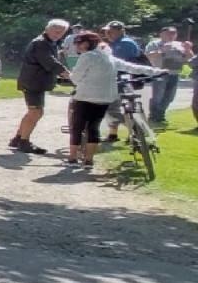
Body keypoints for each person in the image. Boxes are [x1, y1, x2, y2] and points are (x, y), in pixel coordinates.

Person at [65, 31, 165, 170]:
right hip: (104, 98)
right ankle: (88, 161)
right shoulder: (109, 58)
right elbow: (132, 67)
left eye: (78, 43)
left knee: (78, 127)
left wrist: (71, 75)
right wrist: (157, 71)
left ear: (86, 44)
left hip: (85, 97)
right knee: (94, 127)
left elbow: (75, 78)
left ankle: (72, 158)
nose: (77, 46)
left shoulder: (87, 56)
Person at [12, 19, 72, 154]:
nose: (58, 34)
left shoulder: (50, 43)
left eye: (61, 32)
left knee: (34, 112)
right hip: (32, 82)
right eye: (56, 30)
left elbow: (53, 60)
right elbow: (49, 61)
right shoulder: (41, 43)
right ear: (47, 29)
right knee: (36, 112)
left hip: (36, 82)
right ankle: (24, 142)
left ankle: (17, 139)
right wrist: (66, 74)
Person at [101, 21, 143, 142]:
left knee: (113, 107)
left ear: (120, 31)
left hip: (121, 79)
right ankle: (113, 134)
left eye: (110, 31)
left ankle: (137, 130)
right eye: (106, 31)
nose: (107, 33)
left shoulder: (124, 44)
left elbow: (116, 62)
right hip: (116, 78)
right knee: (114, 106)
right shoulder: (116, 43)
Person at [143, 26, 192, 124]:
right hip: (159, 73)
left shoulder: (179, 45)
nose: (171, 35)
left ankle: (160, 115)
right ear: (161, 34)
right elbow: (147, 56)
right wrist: (162, 50)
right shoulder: (154, 44)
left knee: (170, 97)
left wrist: (188, 49)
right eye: (168, 33)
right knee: (158, 97)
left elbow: (190, 58)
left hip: (174, 73)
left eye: (174, 33)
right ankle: (153, 116)